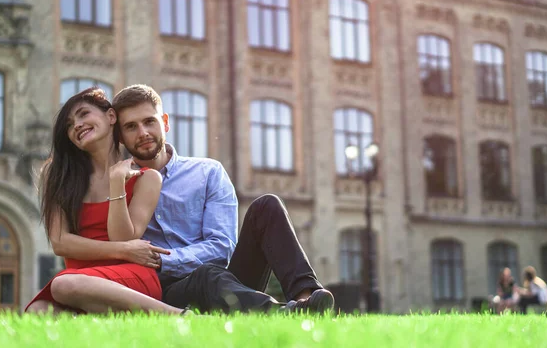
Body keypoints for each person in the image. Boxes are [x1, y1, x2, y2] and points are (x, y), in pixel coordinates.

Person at [111, 84, 334, 314]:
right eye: (131, 127)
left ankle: (306, 300)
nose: (143, 133)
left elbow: (221, 247)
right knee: (205, 275)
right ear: (120, 137)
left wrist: (163, 260)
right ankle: (282, 313)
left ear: (165, 122)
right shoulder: (118, 184)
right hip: (167, 294)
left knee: (267, 206)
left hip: (227, 283)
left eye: (149, 122)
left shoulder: (208, 172)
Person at [25, 88, 184, 315]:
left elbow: (123, 237)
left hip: (130, 276)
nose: (77, 125)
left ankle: (177, 316)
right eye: (69, 125)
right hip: (82, 276)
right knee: (37, 312)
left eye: (83, 114)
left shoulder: (147, 178)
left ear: (111, 117)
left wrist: (117, 182)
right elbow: (60, 242)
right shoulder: (58, 173)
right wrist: (125, 250)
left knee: (63, 285)